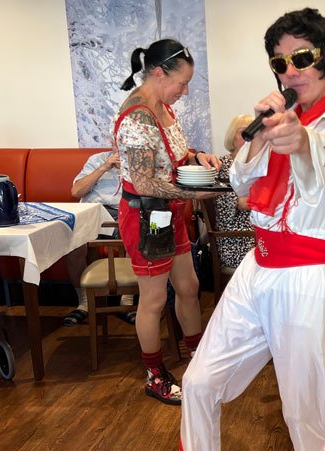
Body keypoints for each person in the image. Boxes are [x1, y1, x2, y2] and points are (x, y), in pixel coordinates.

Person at [170, 8, 325, 451]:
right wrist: (263, 135)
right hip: (257, 264)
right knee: (199, 384)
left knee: (302, 410)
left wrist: (304, 141)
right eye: (279, 62)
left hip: (311, 271)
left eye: (302, 57)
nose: (289, 70)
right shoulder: (277, 119)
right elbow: (242, 185)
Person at [114, 39, 220, 405]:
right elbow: (143, 182)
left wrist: (197, 154)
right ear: (159, 74)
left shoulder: (164, 109)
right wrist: (197, 195)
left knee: (188, 286)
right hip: (147, 218)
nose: (184, 91)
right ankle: (154, 374)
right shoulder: (138, 117)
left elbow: (172, 154)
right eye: (181, 83)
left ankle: (197, 356)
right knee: (154, 298)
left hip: (167, 213)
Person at [61, 150, 133, 327]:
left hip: (123, 213)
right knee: (72, 244)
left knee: (136, 234)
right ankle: (84, 303)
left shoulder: (141, 159)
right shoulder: (97, 160)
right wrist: (104, 167)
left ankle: (127, 301)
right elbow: (76, 191)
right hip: (92, 212)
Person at [211, 114, 255, 270]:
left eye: (254, 133)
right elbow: (241, 204)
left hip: (258, 234)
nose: (250, 138)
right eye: (244, 133)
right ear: (233, 137)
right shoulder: (223, 166)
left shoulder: (259, 165)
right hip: (236, 240)